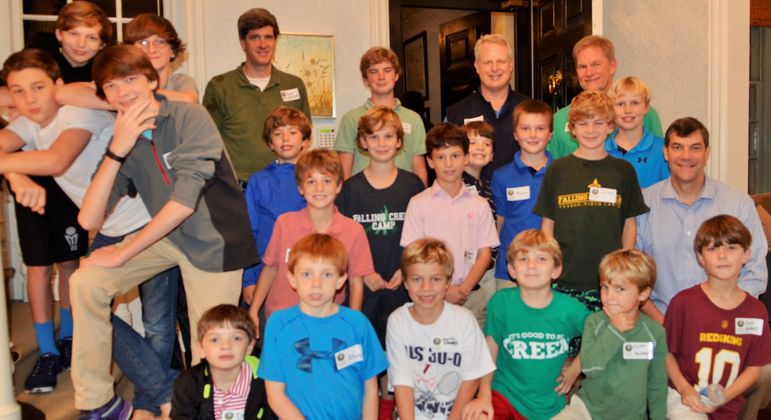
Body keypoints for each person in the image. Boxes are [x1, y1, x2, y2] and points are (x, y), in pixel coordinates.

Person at [69, 44, 257, 418]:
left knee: (214, 344)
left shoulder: (190, 116)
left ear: (152, 80)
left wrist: (122, 252)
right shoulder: (123, 136)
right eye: (110, 86)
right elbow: (89, 219)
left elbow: (185, 202)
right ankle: (98, 401)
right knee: (85, 282)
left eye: (130, 79)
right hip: (169, 237)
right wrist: (117, 152)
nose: (122, 92)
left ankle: (217, 410)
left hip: (214, 246)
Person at [0, 48, 147, 395]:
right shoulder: (29, 123)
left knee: (157, 319)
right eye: (18, 91)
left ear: (58, 86)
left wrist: (12, 168)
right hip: (111, 229)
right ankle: (121, 388)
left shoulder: (78, 111)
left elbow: (56, 160)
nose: (29, 99)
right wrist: (18, 178)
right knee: (93, 306)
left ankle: (158, 393)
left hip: (148, 220)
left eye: (37, 88)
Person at [1, 1, 111, 393]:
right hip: (35, 178)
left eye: (92, 36)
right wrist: (15, 172)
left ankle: (69, 338)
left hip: (74, 184)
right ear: (60, 35)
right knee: (37, 266)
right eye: (75, 33)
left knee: (71, 265)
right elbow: (11, 118)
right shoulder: (38, 65)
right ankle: (47, 349)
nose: (83, 43)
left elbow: (62, 154)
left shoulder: (93, 80)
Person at [636, 117, 770, 419]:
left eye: (695, 148)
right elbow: (634, 275)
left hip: (725, 324)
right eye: (678, 147)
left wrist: (721, 315)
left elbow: (756, 271)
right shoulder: (644, 203)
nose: (686, 156)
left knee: (765, 371)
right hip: (659, 319)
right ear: (666, 153)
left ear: (707, 152)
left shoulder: (737, 203)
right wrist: (663, 321)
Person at [336, 106, 424, 420]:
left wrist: (407, 269)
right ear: (362, 142)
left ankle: (398, 409)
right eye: (374, 137)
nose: (382, 143)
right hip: (365, 286)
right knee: (367, 358)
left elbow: (420, 237)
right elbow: (341, 240)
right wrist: (363, 271)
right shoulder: (349, 189)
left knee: (401, 357)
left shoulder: (414, 186)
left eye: (389, 136)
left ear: (400, 141)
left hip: (403, 284)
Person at [534, 90, 648, 312]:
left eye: (598, 123)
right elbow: (547, 226)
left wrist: (624, 269)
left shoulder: (624, 171)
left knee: (605, 344)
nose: (591, 130)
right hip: (564, 279)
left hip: (610, 283)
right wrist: (550, 266)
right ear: (573, 129)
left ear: (610, 127)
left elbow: (629, 225)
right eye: (583, 123)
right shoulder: (557, 169)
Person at [259, 233, 388, 419]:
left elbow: (370, 387)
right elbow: (275, 395)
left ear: (340, 280)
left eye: (327, 274)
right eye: (306, 274)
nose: (316, 284)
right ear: (292, 279)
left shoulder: (357, 324)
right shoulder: (279, 324)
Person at [463, 230, 588, 420]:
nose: (531, 266)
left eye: (541, 259)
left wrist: (576, 367)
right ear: (512, 269)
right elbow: (490, 348)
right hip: (504, 394)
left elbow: (601, 331)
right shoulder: (501, 302)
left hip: (549, 404)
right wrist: (483, 395)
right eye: (523, 259)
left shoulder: (570, 308)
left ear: (556, 270)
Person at [248, 149, 374, 333]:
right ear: (300, 187)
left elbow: (356, 283)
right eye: (311, 181)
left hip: (327, 323)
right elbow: (270, 268)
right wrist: (253, 311)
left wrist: (352, 323)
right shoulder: (284, 223)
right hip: (281, 321)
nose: (319, 189)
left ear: (339, 186)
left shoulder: (353, 230)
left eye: (327, 181)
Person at [665, 215, 771, 420]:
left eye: (731, 247)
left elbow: (754, 368)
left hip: (726, 402)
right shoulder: (683, 303)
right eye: (713, 248)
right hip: (682, 397)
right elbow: (666, 354)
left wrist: (723, 397)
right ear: (701, 258)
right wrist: (685, 390)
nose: (722, 255)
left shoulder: (756, 311)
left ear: (746, 254)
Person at [401, 123, 499, 326]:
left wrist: (463, 289)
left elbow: (485, 253)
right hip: (431, 297)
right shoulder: (418, 203)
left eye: (455, 156)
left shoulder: (480, 204)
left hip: (472, 296)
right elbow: (413, 255)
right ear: (429, 161)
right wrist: (444, 291)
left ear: (465, 158)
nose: (448, 164)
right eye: (440, 157)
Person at [386, 237, 495, 419]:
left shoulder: (464, 320)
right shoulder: (398, 321)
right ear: (405, 282)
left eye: (435, 279)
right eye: (417, 279)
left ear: (447, 283)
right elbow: (402, 382)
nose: (426, 288)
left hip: (457, 413)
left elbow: (471, 378)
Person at [553, 249, 667, 420]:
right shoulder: (594, 322)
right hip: (587, 410)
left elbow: (657, 385)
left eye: (620, 289)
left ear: (643, 293)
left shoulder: (655, 332)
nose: (609, 296)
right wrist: (614, 330)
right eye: (604, 287)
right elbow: (590, 368)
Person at [203, 8, 311, 183]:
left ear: (275, 41)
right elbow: (207, 141)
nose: (263, 44)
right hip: (238, 189)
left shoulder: (294, 85)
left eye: (268, 37)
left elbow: (304, 136)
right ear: (243, 43)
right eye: (255, 37)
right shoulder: (220, 86)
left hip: (286, 184)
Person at [547, 35, 663, 159]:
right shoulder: (559, 119)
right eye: (582, 67)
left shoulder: (642, 114)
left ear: (612, 66)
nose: (589, 73)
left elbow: (660, 162)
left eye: (596, 64)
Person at [57, 13, 199, 109]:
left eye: (160, 41)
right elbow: (62, 94)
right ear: (130, 50)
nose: (151, 49)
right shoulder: (118, 83)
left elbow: (189, 101)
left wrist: (128, 97)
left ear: (172, 51)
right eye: (142, 42)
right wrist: (122, 97)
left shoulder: (180, 81)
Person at [242, 106, 311, 303]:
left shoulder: (316, 178)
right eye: (278, 134)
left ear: (305, 140)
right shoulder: (258, 181)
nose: (286, 139)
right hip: (267, 274)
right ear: (270, 143)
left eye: (292, 132)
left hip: (308, 272)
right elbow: (250, 232)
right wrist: (248, 279)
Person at [335, 47, 428, 185]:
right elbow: (344, 171)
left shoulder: (413, 119)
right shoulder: (352, 119)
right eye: (374, 71)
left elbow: (419, 169)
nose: (381, 77)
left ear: (396, 75)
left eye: (387, 70)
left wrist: (422, 205)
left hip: (404, 199)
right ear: (366, 79)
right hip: (362, 201)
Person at [445, 34, 530, 180]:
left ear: (511, 65)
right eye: (487, 62)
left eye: (501, 61)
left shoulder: (530, 109)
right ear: (477, 67)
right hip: (471, 200)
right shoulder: (455, 114)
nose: (494, 68)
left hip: (520, 199)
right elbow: (446, 166)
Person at [170, 304, 275, 419]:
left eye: (236, 338)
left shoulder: (265, 382)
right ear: (201, 349)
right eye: (214, 339)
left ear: (249, 346)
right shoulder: (188, 383)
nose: (225, 346)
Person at [491, 99, 553, 287]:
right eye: (525, 128)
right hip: (510, 269)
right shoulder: (501, 176)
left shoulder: (562, 172)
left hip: (550, 266)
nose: (532, 135)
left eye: (540, 128)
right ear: (515, 134)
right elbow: (499, 223)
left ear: (550, 134)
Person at [605, 76, 669, 188]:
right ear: (611, 109)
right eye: (620, 104)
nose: (628, 110)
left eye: (635, 103)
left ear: (646, 107)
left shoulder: (664, 150)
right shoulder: (601, 151)